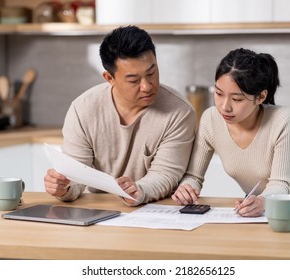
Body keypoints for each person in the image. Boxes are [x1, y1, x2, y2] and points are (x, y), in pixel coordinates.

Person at [44, 25, 196, 206]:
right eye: (134, 80)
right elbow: (76, 175)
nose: (147, 86)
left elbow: (166, 173)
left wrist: (139, 190)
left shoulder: (179, 112)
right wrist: (64, 186)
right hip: (100, 210)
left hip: (156, 210)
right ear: (109, 78)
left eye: (151, 73)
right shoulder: (83, 109)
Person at [172, 48, 290, 217]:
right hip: (256, 204)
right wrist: (187, 188)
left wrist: (261, 202)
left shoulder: (283, 119)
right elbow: (193, 176)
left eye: (237, 99)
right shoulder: (210, 119)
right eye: (219, 94)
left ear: (260, 97)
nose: (224, 106)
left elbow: (281, 184)